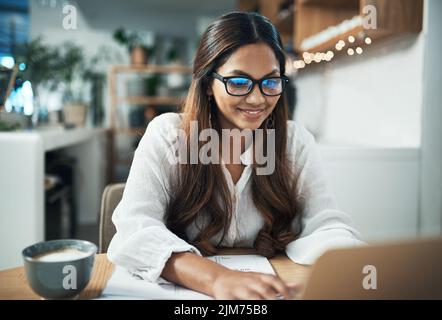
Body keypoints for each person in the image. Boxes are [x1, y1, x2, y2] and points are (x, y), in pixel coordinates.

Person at [107, 11, 363, 300]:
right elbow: (134, 231)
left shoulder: (295, 143)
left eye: (270, 82)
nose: (257, 99)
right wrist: (215, 279)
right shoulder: (168, 136)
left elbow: (326, 224)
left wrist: (351, 264)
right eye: (239, 83)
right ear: (207, 85)